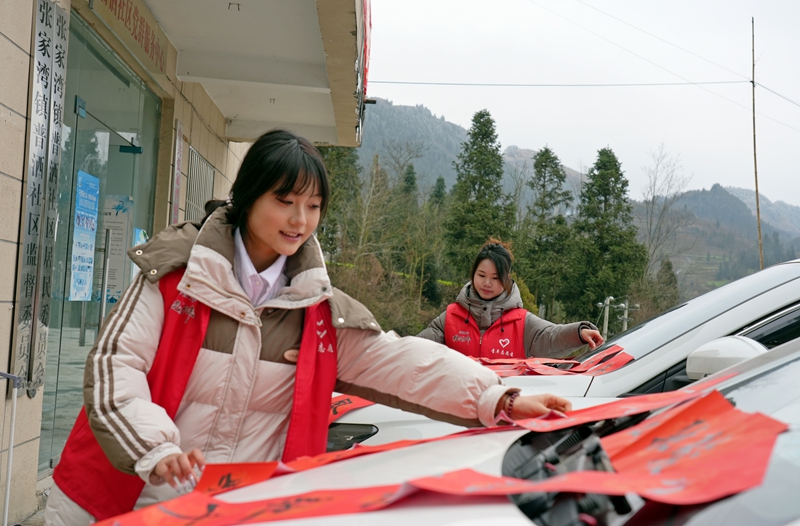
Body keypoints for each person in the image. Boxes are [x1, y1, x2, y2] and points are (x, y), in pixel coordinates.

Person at [45, 130, 572, 525]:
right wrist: (155, 449)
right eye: (285, 201)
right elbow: (116, 367)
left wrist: (499, 397)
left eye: (313, 206)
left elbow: (400, 360)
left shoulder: (319, 312)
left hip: (230, 511)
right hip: (114, 502)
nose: (300, 220)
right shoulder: (177, 278)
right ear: (248, 196)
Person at [418, 239, 604, 359]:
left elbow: (551, 336)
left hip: (506, 411)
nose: (487, 283)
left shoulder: (522, 322)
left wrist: (579, 333)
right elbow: (415, 348)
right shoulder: (450, 317)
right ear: (473, 274)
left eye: (496, 277)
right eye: (481, 275)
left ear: (506, 279)